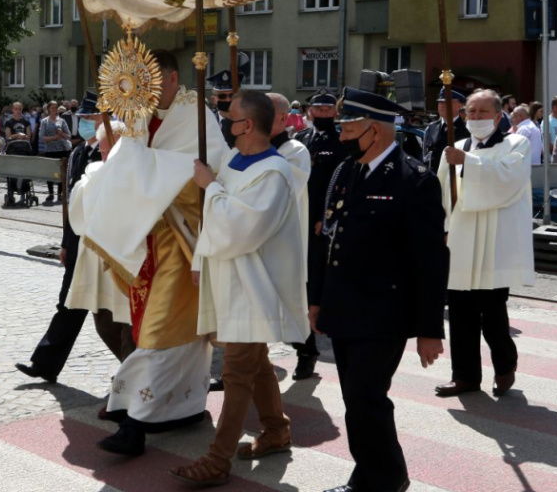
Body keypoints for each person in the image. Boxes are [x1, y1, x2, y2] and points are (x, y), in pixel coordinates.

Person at [67, 49, 227, 456]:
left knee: (156, 332)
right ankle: (184, 407)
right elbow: (128, 166)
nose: (146, 91)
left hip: (185, 239)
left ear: (172, 79)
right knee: (165, 332)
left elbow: (204, 177)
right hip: (148, 237)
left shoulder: (198, 118)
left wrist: (138, 163)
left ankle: (134, 424)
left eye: (152, 81)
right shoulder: (139, 116)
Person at [169, 90, 307, 486]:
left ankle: (217, 459)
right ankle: (277, 430)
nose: (226, 124)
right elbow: (214, 222)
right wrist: (200, 260)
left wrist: (210, 186)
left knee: (237, 373)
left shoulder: (274, 173)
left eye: (230, 118)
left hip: (254, 286)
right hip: (230, 278)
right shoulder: (233, 159)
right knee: (255, 362)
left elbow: (240, 229)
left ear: (247, 125)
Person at [312, 88, 446, 492]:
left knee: (366, 397)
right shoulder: (349, 172)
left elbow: (430, 260)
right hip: (345, 308)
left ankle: (385, 480)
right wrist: (317, 300)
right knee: (357, 401)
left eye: (349, 128)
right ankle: (370, 473)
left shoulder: (414, 180)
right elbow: (328, 241)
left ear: (375, 131)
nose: (341, 136)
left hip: (384, 311)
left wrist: (429, 329)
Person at [15, 92, 135, 383]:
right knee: (68, 303)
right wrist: (66, 244)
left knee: (110, 315)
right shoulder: (80, 152)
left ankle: (134, 372)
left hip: (104, 247)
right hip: (80, 244)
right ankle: (45, 363)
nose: (84, 123)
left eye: (89, 117)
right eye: (81, 118)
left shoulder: (119, 149)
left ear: (103, 118)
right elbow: (71, 204)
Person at [436, 89, 533, 398]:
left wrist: (468, 161)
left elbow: (507, 179)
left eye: (482, 112)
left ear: (498, 115)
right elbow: (442, 192)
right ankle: (464, 376)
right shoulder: (455, 148)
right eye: (470, 112)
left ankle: (505, 366)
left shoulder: (515, 144)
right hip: (461, 240)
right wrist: (442, 226)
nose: (475, 118)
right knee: (461, 312)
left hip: (495, 240)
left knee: (491, 313)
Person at [290, 90, 345, 380]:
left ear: (335, 112)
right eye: (318, 109)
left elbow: (342, 185)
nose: (323, 114)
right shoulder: (300, 141)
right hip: (300, 224)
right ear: (309, 111)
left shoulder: (342, 142)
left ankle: (329, 335)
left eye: (328, 109)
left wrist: (327, 218)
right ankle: (306, 349)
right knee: (302, 285)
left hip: (325, 228)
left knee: (322, 287)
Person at [422, 88, 467, 172]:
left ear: (459, 106)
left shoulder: (466, 130)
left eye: (447, 102)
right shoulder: (431, 128)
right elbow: (425, 158)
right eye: (440, 102)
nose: (442, 105)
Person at [38, 101, 72, 201]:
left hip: (61, 150)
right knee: (50, 172)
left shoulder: (62, 121)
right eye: (52, 108)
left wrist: (61, 134)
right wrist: (54, 137)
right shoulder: (44, 121)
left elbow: (69, 136)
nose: (54, 110)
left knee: (61, 173)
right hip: (49, 150)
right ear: (48, 109)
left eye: (56, 108)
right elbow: (41, 137)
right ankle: (51, 193)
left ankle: (60, 193)